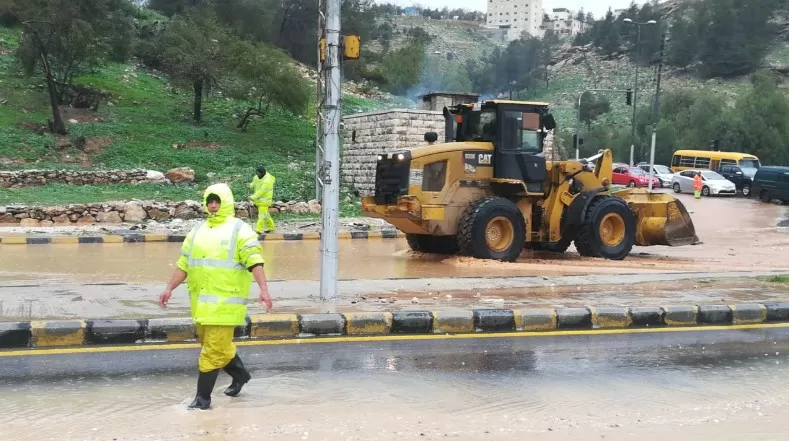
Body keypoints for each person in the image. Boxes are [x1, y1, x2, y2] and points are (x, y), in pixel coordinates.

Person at [159, 183, 273, 410]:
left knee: (211, 352)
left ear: (226, 202)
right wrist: (169, 288)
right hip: (201, 305)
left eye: (217, 201)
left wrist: (264, 289)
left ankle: (202, 400)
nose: (213, 205)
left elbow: (255, 260)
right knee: (215, 345)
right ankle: (241, 375)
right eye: (210, 201)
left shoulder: (239, 230)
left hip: (226, 305)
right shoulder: (197, 231)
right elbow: (184, 264)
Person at [248, 166, 276, 234]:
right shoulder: (256, 177)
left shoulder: (268, 180)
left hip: (265, 201)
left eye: (259, 174)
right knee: (265, 215)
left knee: (261, 215)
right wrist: (250, 185)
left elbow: (261, 191)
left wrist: (252, 197)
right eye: (257, 173)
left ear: (263, 173)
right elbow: (254, 184)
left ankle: (259, 230)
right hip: (259, 200)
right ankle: (271, 227)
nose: (258, 175)